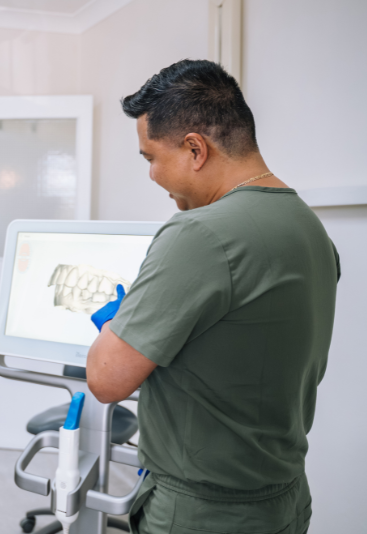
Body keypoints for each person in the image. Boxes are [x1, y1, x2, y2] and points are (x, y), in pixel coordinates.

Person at [85, 60, 340, 534]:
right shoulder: (308, 227)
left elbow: (107, 379)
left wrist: (121, 318)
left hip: (203, 512)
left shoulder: (199, 234)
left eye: (151, 158)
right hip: (283, 496)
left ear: (195, 149)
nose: (152, 176)